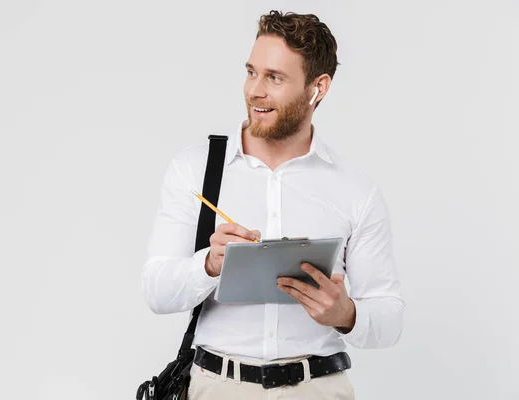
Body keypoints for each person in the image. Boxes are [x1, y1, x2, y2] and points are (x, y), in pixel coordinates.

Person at [141, 10, 404, 399]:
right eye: (251, 72)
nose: (254, 91)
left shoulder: (355, 189)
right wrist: (209, 265)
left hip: (318, 389)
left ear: (318, 88)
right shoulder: (195, 170)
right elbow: (156, 292)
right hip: (217, 388)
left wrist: (346, 314)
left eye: (274, 78)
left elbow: (390, 317)